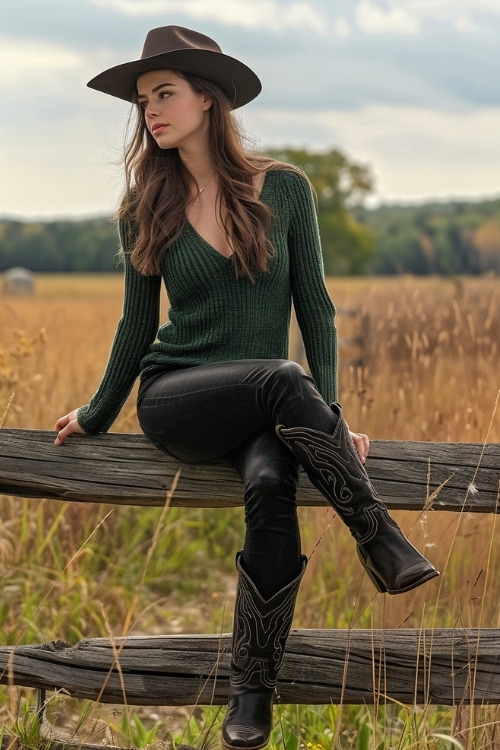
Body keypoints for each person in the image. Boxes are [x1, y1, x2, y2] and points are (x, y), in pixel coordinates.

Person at [54, 26, 439, 750]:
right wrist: (98, 413)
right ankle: (378, 537)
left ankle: (250, 694)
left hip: (267, 405)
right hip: (178, 397)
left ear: (209, 97)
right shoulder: (145, 205)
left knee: (270, 489)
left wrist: (328, 415)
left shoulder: (286, 189)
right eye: (143, 101)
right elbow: (136, 327)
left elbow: (316, 309)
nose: (151, 112)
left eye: (163, 94)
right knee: (281, 378)